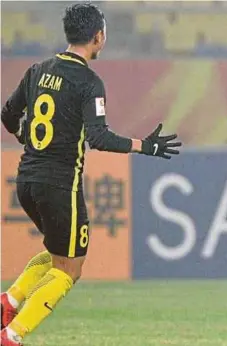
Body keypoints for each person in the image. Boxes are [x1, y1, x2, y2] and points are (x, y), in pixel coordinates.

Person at [0, 4, 181, 345]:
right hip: (59, 185)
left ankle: (9, 301)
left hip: (26, 180)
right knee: (70, 270)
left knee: (59, 254)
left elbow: (8, 116)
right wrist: (147, 146)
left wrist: (25, 135)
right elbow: (98, 137)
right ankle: (12, 335)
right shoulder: (88, 81)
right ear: (98, 36)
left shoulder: (37, 70)